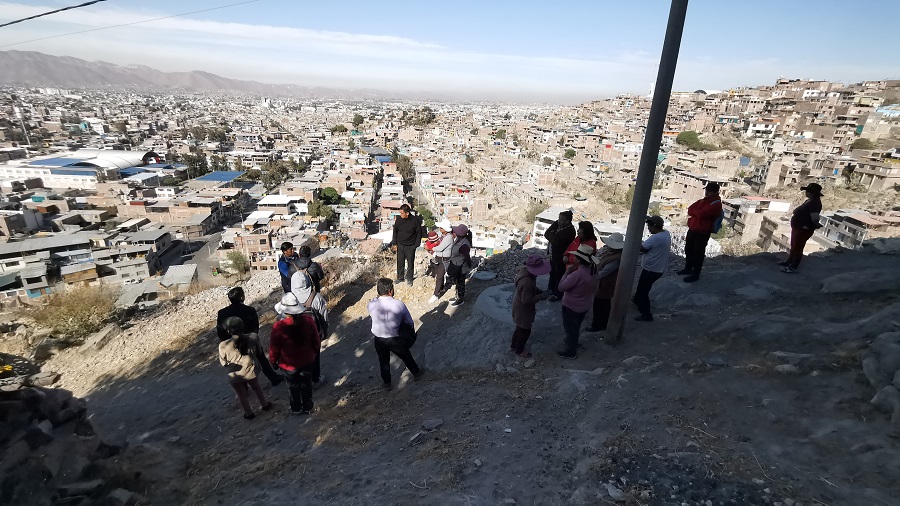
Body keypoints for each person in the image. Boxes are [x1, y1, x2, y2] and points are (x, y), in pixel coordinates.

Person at [216, 287, 283, 386]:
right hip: (249, 340)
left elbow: (220, 331)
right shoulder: (250, 310)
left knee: (238, 364)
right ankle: (273, 378)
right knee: (261, 359)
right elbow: (255, 328)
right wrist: (250, 338)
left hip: (231, 342)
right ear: (242, 297)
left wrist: (229, 341)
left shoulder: (222, 313)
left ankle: (244, 386)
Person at [367, 278, 424, 390]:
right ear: (391, 291)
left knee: (383, 361)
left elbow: (374, 301)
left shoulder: (371, 304)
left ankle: (387, 383)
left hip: (378, 338)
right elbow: (409, 322)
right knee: (405, 355)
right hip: (394, 338)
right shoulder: (398, 304)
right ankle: (416, 373)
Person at [269, 294, 321, 415]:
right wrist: (313, 353)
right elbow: (316, 341)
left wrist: (273, 362)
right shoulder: (308, 320)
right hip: (308, 360)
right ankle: (308, 407)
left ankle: (296, 408)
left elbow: (274, 348)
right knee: (306, 384)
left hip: (288, 365)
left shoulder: (278, 327)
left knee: (293, 387)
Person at [219, 317, 273, 420]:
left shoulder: (223, 345)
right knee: (257, 387)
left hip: (235, 374)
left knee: (241, 394)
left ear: (229, 330)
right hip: (251, 369)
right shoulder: (253, 337)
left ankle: (249, 413)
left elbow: (223, 363)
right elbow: (259, 353)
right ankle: (264, 404)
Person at [289, 260, 328, 387]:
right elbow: (323, 316)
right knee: (315, 356)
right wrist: (325, 331)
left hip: (294, 334)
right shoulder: (316, 297)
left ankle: (302, 379)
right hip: (313, 333)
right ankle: (315, 379)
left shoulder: (289, 298)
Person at [555, 244, 597, 360]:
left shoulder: (576, 275)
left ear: (579, 259)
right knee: (576, 326)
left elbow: (561, 287)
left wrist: (567, 273)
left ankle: (570, 351)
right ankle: (572, 341)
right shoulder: (593, 272)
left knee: (570, 328)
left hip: (571, 306)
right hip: (585, 305)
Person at [678, 183, 722, 283]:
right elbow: (690, 210)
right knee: (688, 249)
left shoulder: (716, 204)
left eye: (709, 191)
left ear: (715, 192)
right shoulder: (702, 201)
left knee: (698, 253)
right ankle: (688, 268)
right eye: (707, 190)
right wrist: (698, 212)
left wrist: (697, 212)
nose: (707, 192)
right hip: (693, 228)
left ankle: (695, 274)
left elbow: (702, 214)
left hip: (703, 231)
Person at [510, 254, 552, 358]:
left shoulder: (524, 272)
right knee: (525, 331)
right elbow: (527, 300)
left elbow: (531, 289)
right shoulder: (527, 282)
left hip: (517, 306)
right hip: (523, 311)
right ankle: (519, 350)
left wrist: (539, 291)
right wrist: (541, 296)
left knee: (519, 328)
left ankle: (513, 345)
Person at [634, 216, 671, 322]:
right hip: (655, 268)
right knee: (641, 286)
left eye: (649, 226)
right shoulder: (666, 233)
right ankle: (637, 300)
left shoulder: (656, 238)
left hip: (652, 270)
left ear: (654, 226)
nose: (648, 229)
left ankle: (646, 315)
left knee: (643, 292)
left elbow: (642, 248)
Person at [781, 183, 824, 274]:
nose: (806, 192)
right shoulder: (809, 201)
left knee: (798, 248)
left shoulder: (815, 203)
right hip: (798, 227)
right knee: (794, 245)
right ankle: (789, 262)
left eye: (807, 191)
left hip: (804, 229)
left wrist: (813, 225)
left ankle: (793, 267)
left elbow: (815, 218)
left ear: (812, 192)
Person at [586, 233, 624, 332]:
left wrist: (590, 274)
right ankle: (603, 323)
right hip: (602, 283)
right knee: (604, 305)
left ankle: (597, 325)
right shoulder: (610, 252)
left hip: (606, 284)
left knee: (600, 306)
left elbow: (604, 273)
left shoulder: (616, 259)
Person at [544, 210, 576, 300]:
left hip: (561, 257)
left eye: (561, 220)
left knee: (559, 274)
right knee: (552, 273)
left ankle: (557, 294)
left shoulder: (570, 231)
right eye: (559, 218)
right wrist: (552, 236)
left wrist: (552, 235)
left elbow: (557, 242)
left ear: (567, 221)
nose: (558, 221)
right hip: (553, 255)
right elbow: (546, 234)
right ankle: (550, 289)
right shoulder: (557, 224)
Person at [390, 204, 423, 286]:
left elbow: (419, 233)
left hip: (410, 246)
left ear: (407, 213)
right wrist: (395, 243)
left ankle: (409, 279)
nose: (400, 215)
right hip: (400, 245)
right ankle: (400, 278)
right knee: (400, 263)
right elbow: (395, 231)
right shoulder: (398, 220)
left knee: (410, 264)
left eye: (402, 213)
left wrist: (415, 245)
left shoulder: (415, 221)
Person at [428, 219, 454, 304]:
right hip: (440, 258)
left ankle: (435, 295)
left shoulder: (448, 237)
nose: (440, 229)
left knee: (439, 276)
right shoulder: (443, 236)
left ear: (445, 229)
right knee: (440, 275)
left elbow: (440, 248)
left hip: (444, 260)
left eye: (441, 228)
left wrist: (430, 248)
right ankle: (441, 288)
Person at [447, 223, 473, 307]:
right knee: (458, 282)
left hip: (461, 267)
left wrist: (468, 267)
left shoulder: (464, 245)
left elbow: (467, 257)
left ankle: (460, 299)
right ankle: (457, 297)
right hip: (456, 264)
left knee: (460, 283)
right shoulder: (459, 239)